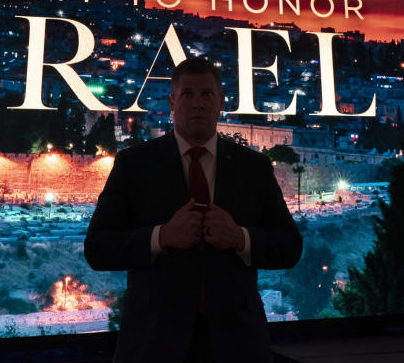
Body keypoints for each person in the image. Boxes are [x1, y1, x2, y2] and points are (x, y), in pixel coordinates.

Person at [84, 57, 303, 363]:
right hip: (153, 343)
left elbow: (290, 247)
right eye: (188, 94)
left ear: (221, 102)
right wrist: (161, 237)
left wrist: (241, 239)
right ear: (172, 101)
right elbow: (97, 248)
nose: (198, 103)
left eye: (207, 94)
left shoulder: (253, 168)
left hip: (238, 344)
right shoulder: (134, 165)